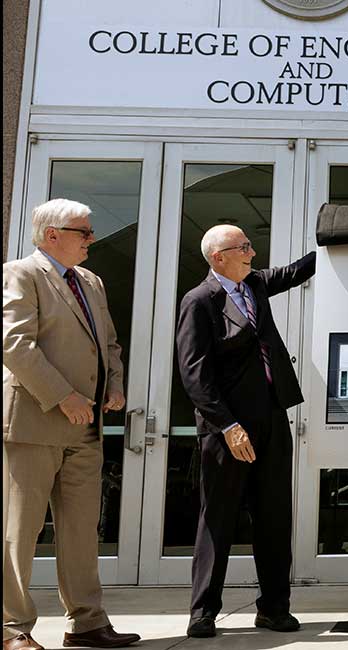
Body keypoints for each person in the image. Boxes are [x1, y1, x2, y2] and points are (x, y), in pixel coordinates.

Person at [3, 199, 141, 650]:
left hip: (86, 428)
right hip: (33, 423)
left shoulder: (91, 282)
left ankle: (86, 623)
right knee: (18, 532)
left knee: (82, 532)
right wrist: (63, 395)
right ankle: (11, 628)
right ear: (51, 236)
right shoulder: (21, 273)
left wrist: (114, 385)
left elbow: (110, 344)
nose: (91, 239)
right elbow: (14, 344)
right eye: (83, 232)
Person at [175, 225, 315, 638]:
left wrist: (342, 239)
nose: (252, 253)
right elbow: (194, 373)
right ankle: (203, 612)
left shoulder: (253, 283)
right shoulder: (199, 301)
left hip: (271, 419)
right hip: (227, 429)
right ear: (218, 257)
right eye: (244, 248)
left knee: (274, 516)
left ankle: (274, 608)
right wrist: (227, 426)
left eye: (250, 246)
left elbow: (297, 271)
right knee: (218, 518)